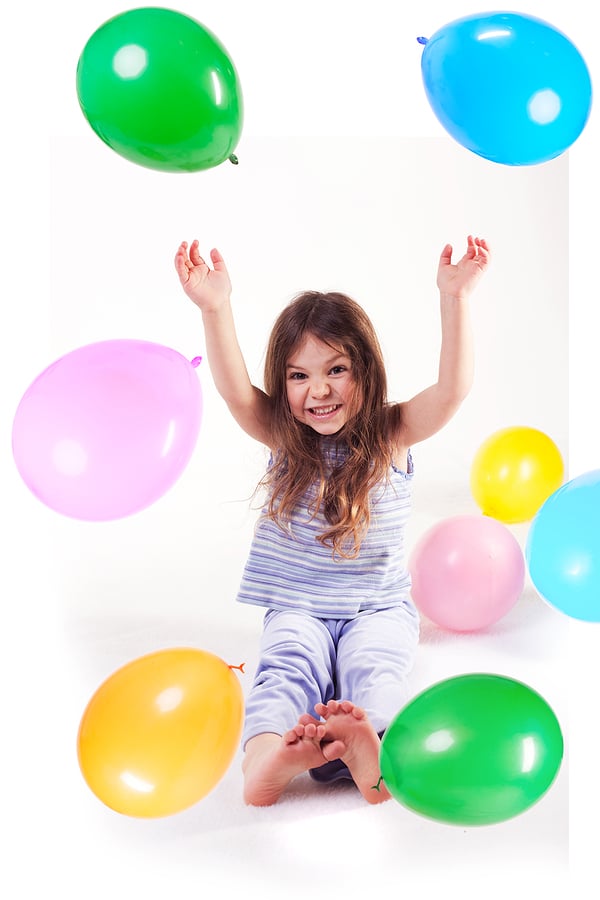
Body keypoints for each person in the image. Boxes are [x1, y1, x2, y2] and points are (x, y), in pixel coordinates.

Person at [174, 235, 491, 807]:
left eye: (336, 369)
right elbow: (233, 391)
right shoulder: (283, 437)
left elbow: (452, 390)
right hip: (298, 602)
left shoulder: (393, 434)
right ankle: (267, 759)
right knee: (285, 667)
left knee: (377, 667)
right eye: (298, 376)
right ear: (284, 383)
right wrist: (215, 307)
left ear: (365, 370)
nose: (318, 390)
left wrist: (456, 298)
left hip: (377, 606)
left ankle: (376, 750)